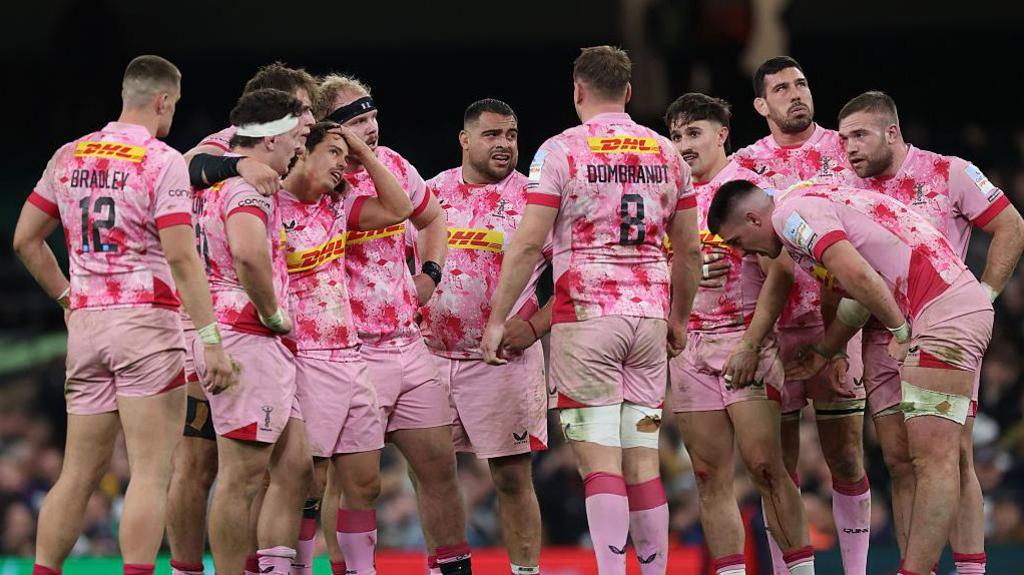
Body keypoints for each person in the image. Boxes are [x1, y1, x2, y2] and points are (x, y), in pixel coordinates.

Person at [12, 55, 236, 575]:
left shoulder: (69, 155)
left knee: (75, 474)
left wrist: (68, 298)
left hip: (87, 325)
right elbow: (182, 257)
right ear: (162, 101)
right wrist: (210, 337)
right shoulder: (162, 161)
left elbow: (25, 240)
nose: (172, 116)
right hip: (147, 326)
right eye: (174, 107)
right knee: (150, 473)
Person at [481, 46, 700, 575]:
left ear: (578, 91)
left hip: (587, 317)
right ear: (628, 93)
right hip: (648, 315)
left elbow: (530, 243)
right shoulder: (667, 153)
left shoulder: (560, 151)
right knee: (643, 459)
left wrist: (496, 318)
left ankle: (608, 570)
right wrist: (678, 318)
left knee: (600, 462)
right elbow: (690, 250)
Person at [707, 180, 994, 575]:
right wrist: (827, 349)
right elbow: (856, 288)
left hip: (940, 316)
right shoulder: (812, 196)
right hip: (955, 306)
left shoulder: (792, 216)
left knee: (933, 461)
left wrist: (899, 329)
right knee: (949, 458)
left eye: (739, 240)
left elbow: (858, 277)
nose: (742, 252)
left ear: (755, 217)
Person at [835, 90, 1024, 574]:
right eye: (843, 139)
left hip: (940, 334)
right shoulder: (850, 191)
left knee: (952, 455)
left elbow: (1011, 226)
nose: (850, 148)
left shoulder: (949, 171)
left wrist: (986, 294)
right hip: (880, 339)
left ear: (891, 131)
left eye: (859, 135)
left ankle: (970, 570)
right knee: (900, 461)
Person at [168, 62, 320, 575]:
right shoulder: (235, 172)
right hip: (239, 328)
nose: (307, 125)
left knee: (294, 462)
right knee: (227, 470)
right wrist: (274, 312)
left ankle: (270, 567)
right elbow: (250, 254)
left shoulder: (247, 167)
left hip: (230, 328)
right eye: (300, 114)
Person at [314, 74, 470, 575]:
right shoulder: (324, 181)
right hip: (352, 350)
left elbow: (432, 217)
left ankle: (451, 568)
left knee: (440, 469)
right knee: (353, 484)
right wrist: (360, 154)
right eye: (357, 122)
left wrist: (430, 273)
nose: (372, 128)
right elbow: (398, 208)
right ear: (331, 131)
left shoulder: (395, 163)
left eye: (372, 116)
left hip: (408, 343)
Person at [664, 93, 814, 575]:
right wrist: (679, 274)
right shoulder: (668, 196)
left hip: (744, 341)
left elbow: (784, 269)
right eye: (676, 136)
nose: (684, 145)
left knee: (767, 468)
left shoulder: (749, 188)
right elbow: (648, 269)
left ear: (722, 133)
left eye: (694, 133)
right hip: (688, 348)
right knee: (707, 476)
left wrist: (753, 342)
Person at [732, 56, 870, 575]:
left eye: (802, 84)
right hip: (771, 329)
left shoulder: (844, 148)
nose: (796, 94)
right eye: (782, 88)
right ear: (761, 105)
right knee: (776, 468)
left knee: (847, 457)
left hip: (837, 322)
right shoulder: (742, 165)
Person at [279, 120, 417, 575]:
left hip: (350, 354)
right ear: (302, 151)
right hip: (304, 358)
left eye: (346, 155)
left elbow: (399, 208)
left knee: (365, 482)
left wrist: (363, 150)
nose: (343, 164)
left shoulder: (337, 205)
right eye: (334, 153)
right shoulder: (267, 206)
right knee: (307, 483)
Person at [421, 98, 551, 575]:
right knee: (433, 474)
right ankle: (449, 569)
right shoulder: (430, 194)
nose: (505, 144)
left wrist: (535, 325)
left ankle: (525, 572)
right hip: (431, 358)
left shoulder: (535, 198)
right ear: (465, 140)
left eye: (512, 135)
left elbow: (574, 274)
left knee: (513, 478)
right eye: (493, 135)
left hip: (501, 362)